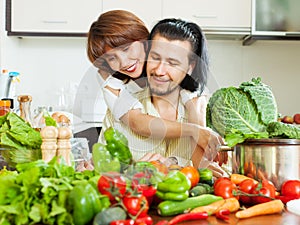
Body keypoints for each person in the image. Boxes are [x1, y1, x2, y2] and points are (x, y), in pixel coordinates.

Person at [87, 10, 227, 168]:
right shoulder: (117, 102)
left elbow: (222, 174)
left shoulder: (206, 109)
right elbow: (105, 173)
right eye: (155, 57)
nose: (160, 70)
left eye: (172, 62)